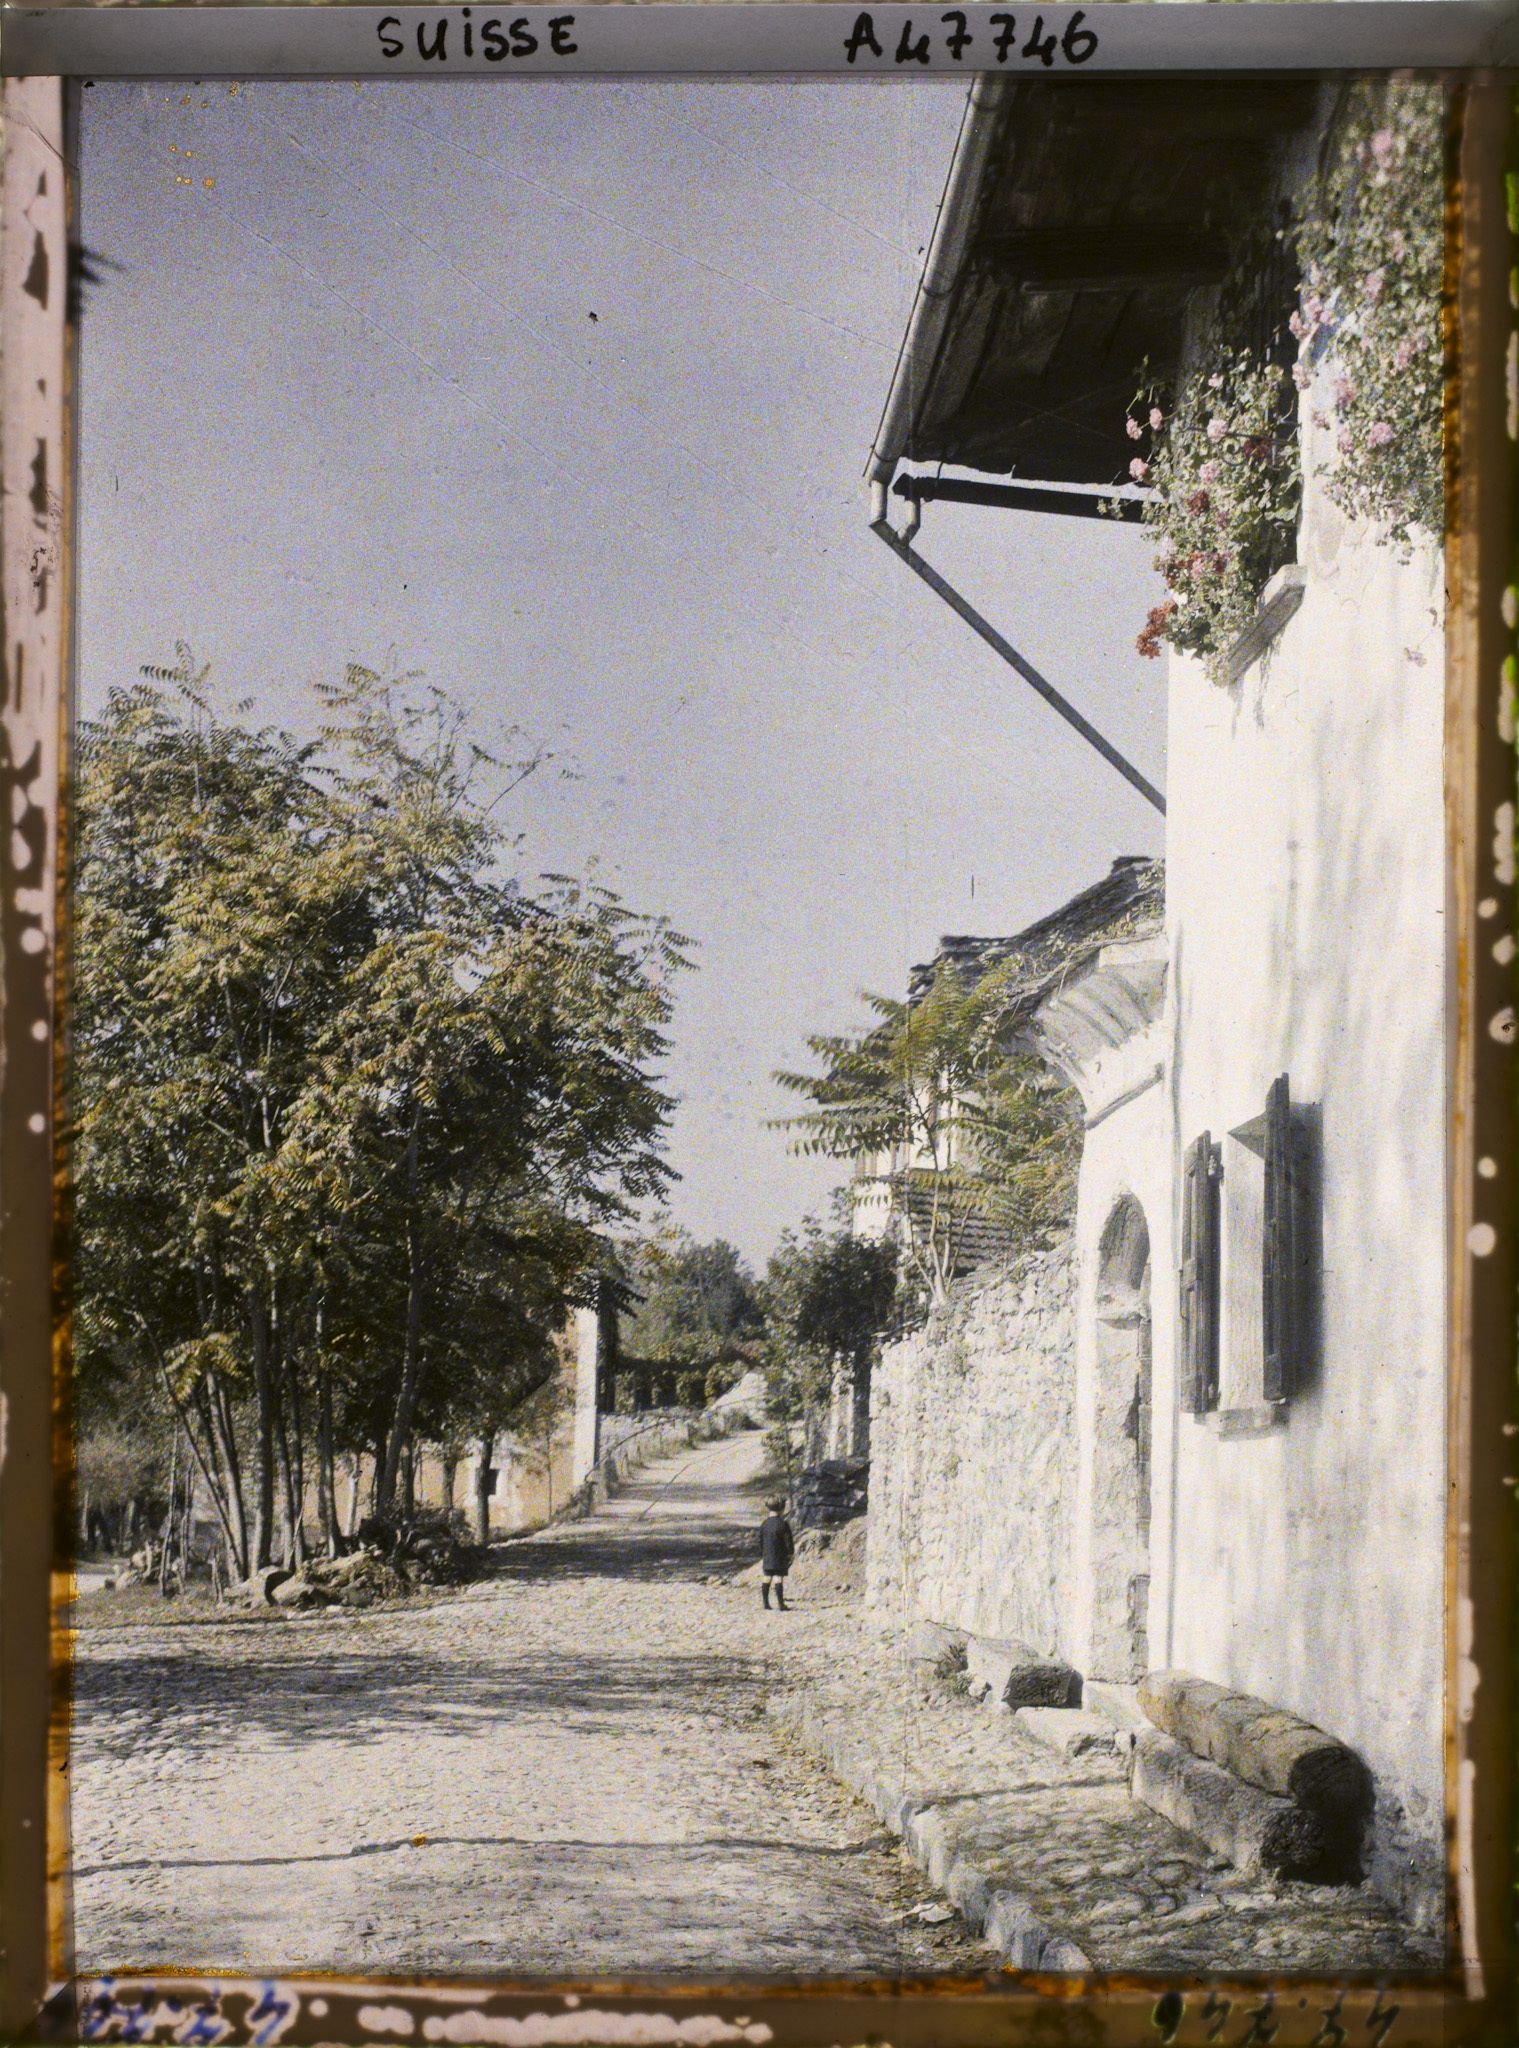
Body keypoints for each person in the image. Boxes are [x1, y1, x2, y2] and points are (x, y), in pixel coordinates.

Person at [758, 1497, 795, 1610]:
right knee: (778, 1577)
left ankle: (766, 1603)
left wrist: (763, 1552)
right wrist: (790, 1553)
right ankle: (781, 1604)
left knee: (767, 1577)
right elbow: (788, 1541)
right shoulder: (783, 1524)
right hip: (780, 1555)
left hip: (767, 1555)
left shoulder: (764, 1524)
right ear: (781, 1508)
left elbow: (760, 1540)